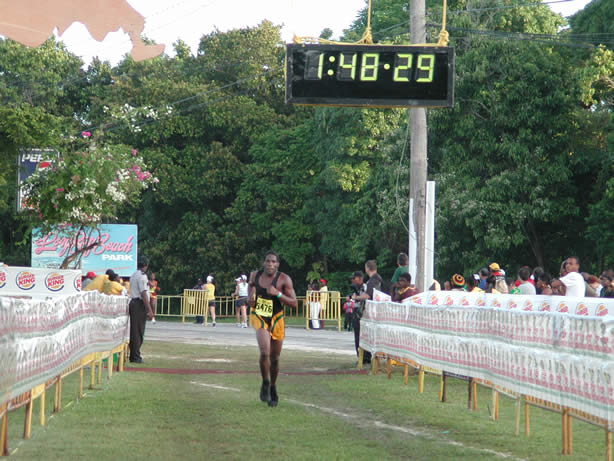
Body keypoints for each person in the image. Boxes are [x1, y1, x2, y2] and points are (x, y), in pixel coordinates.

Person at [248, 251, 297, 407]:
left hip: (276, 318)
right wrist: (251, 297)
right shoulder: (255, 275)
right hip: (260, 315)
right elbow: (251, 286)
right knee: (265, 352)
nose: (270, 264)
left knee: (275, 359)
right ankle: (265, 382)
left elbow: (294, 303)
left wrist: (277, 294)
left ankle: (273, 386)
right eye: (267, 261)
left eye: (273, 262)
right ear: (264, 262)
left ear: (277, 264)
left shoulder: (284, 279)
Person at [353, 261, 382, 364]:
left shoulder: (373, 280)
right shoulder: (378, 278)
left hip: (371, 313)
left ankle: (364, 358)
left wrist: (356, 297)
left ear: (367, 268)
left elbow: (368, 295)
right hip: (375, 312)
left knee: (362, 335)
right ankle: (367, 357)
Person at [128, 256, 154, 363]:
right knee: (138, 331)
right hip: (139, 304)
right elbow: (143, 293)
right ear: (145, 266)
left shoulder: (134, 274)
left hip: (133, 303)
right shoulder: (142, 276)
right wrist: (149, 310)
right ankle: (135, 356)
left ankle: (134, 354)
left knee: (134, 330)